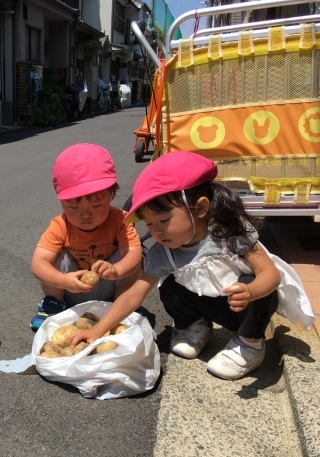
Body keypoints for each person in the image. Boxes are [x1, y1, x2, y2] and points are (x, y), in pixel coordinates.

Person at [70, 151, 312, 380]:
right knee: (169, 288)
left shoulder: (229, 233)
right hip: (207, 302)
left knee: (258, 289)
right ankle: (195, 327)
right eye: (150, 224)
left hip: (240, 304)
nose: (157, 231)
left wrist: (251, 292)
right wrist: (97, 330)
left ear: (200, 209)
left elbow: (270, 274)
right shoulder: (163, 252)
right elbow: (135, 293)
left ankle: (250, 344)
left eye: (164, 220)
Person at [29, 143, 143, 330]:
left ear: (111, 195)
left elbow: (133, 254)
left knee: (136, 262)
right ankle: (54, 304)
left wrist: (116, 270)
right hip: (69, 288)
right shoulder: (61, 225)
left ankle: (120, 305)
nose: (85, 215)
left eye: (97, 206)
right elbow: (38, 264)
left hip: (109, 285)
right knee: (56, 257)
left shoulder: (120, 220)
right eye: (73, 207)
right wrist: (64, 281)